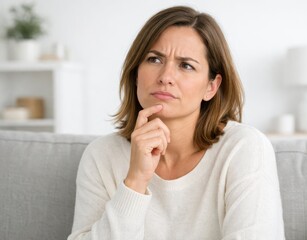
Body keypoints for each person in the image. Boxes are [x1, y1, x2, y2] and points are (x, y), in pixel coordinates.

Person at [68, 5, 285, 240]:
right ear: (136, 73)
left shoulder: (244, 148)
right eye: (154, 59)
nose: (165, 77)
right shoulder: (101, 156)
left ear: (211, 86)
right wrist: (135, 181)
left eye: (186, 65)